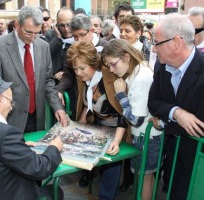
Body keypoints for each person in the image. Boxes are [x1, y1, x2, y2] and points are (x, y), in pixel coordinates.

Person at [148, 13, 204, 199]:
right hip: (174, 157)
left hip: (199, 161)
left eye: (157, 42)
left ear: (176, 42)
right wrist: (177, 113)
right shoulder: (162, 65)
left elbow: (201, 128)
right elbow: (153, 102)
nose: (153, 49)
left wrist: (164, 123)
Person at [0, 6, 68, 134]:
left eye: (37, 33)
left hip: (36, 116)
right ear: (17, 25)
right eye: (28, 32)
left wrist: (58, 108)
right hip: (9, 117)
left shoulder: (43, 46)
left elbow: (48, 81)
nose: (32, 38)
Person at [101, 39, 162, 200]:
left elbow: (136, 119)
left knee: (144, 179)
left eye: (113, 64)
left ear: (127, 57)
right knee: (147, 178)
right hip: (148, 136)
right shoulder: (139, 70)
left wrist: (120, 94)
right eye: (109, 66)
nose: (112, 70)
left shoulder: (141, 78)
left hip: (147, 138)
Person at [67, 41, 127, 200]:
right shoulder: (85, 79)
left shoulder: (109, 79)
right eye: (75, 69)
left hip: (119, 128)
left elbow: (124, 112)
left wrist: (117, 139)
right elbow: (87, 103)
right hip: (100, 126)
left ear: (94, 64)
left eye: (82, 68)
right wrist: (81, 121)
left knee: (111, 166)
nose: (78, 73)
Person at [45, 7, 74, 82]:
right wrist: (58, 39)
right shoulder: (50, 35)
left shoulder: (78, 36)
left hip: (72, 82)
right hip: (53, 82)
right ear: (57, 24)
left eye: (69, 24)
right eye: (62, 25)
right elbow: (45, 55)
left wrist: (66, 73)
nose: (66, 29)